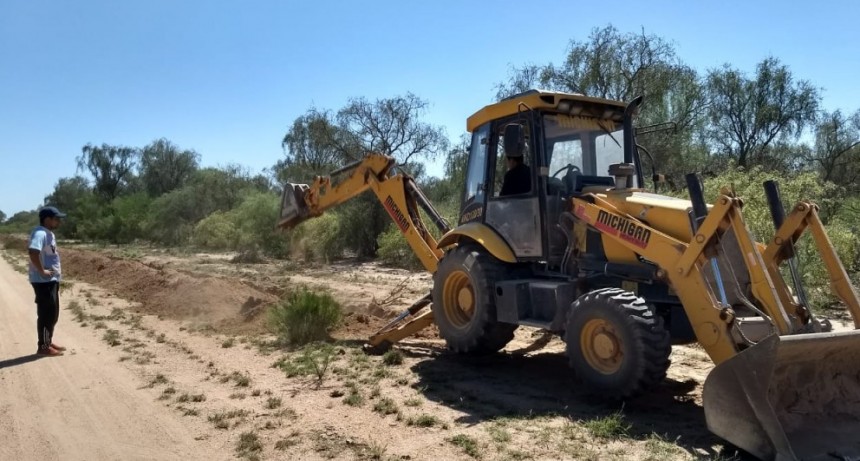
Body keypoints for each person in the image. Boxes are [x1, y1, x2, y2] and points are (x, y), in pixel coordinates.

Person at [28, 206, 67, 357]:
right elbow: (33, 252)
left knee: (53, 313)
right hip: (43, 281)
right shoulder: (40, 233)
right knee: (46, 314)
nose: (59, 222)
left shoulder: (48, 233)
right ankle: (43, 346)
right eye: (56, 219)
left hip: (51, 280)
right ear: (47, 219)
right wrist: (42, 271)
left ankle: (48, 341)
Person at [499, 125, 531, 196]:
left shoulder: (510, 176)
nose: (507, 164)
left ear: (512, 160)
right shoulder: (531, 172)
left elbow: (503, 197)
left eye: (507, 161)